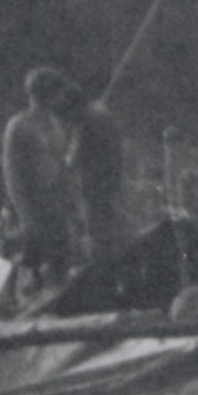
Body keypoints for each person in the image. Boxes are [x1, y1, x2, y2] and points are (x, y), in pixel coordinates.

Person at [4, 69, 79, 291]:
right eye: (59, 93)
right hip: (32, 205)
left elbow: (62, 162)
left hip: (56, 202)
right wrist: (25, 214)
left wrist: (70, 200)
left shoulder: (56, 124)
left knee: (60, 258)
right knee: (30, 260)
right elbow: (13, 174)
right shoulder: (20, 126)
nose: (62, 98)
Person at [63, 89, 126, 266]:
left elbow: (73, 158)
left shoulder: (84, 122)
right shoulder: (104, 115)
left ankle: (97, 265)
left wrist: (64, 162)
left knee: (94, 226)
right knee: (110, 225)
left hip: (92, 181)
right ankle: (110, 261)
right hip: (111, 178)